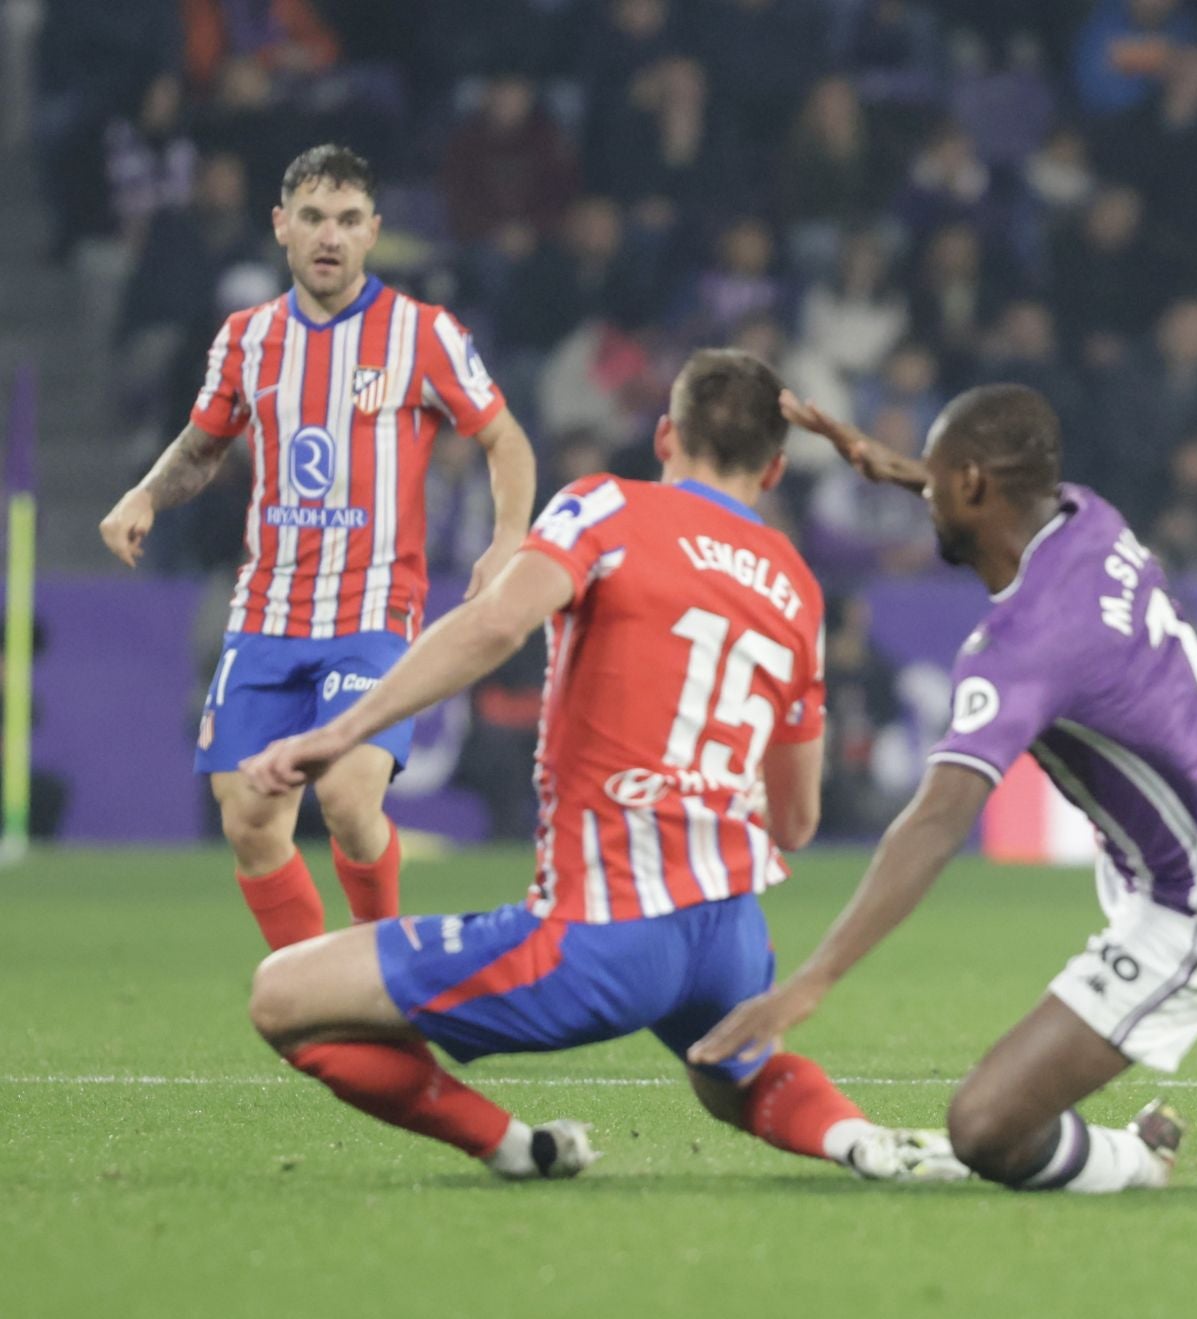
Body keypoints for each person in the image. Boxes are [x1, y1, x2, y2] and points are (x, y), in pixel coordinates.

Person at [691, 385, 1197, 1194]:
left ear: (974, 484)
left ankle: (1137, 1159)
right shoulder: (1088, 516)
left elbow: (937, 822)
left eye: (936, 478)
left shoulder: (1025, 644)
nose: (925, 493)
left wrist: (811, 980)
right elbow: (1006, 490)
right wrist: (896, 467)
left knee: (987, 1127)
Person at [236, 350, 963, 1183]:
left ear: (664, 435)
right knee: (739, 1067)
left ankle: (514, 1145)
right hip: (728, 932)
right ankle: (860, 1141)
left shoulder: (604, 508)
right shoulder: (797, 585)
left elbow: (496, 626)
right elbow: (795, 821)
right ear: (772, 467)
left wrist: (341, 732)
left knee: (282, 997)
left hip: (599, 937)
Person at [97, 145, 540, 952]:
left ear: (372, 232)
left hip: (373, 610)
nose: (328, 236)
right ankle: (315, 991)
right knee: (251, 819)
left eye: (345, 220)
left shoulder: (423, 333)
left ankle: (380, 967)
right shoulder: (246, 339)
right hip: (265, 614)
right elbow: (203, 447)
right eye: (311, 218)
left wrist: (509, 539)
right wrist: (143, 494)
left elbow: (505, 440)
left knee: (344, 796)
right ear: (281, 228)